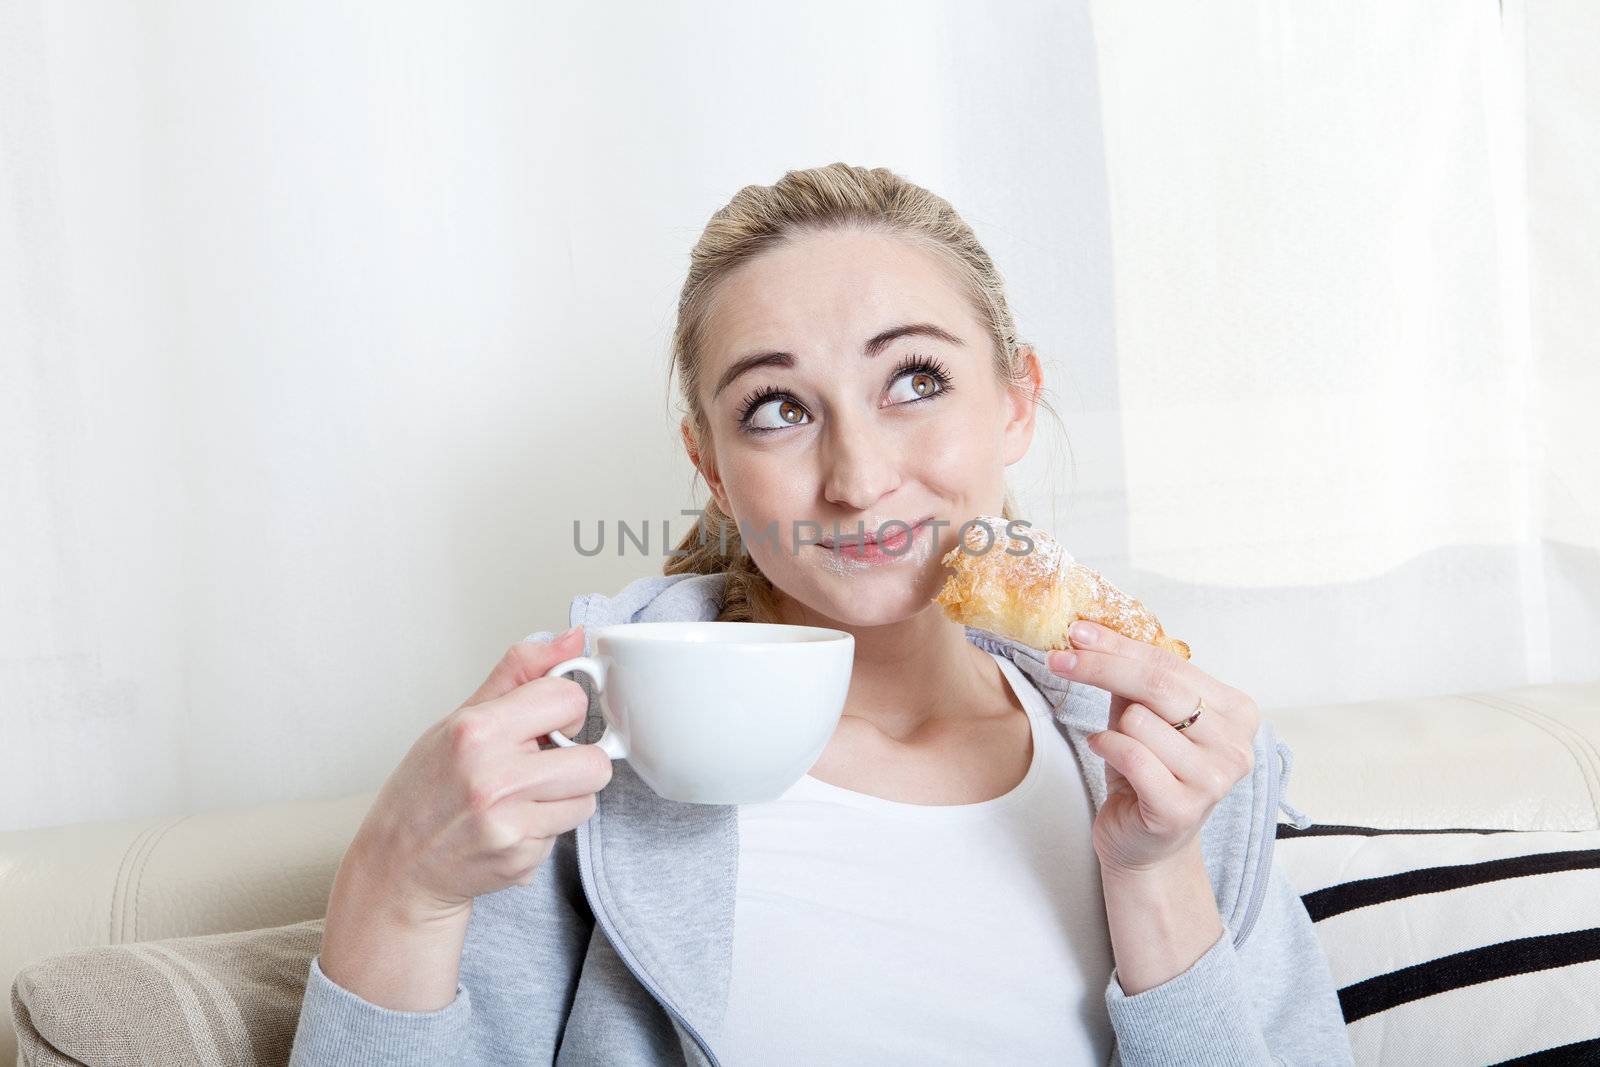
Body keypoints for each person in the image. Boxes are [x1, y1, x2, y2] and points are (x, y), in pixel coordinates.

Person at [289, 163, 1355, 1065]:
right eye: (777, 407)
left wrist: (1154, 872)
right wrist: (393, 886)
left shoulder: (1176, 765)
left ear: (1015, 400)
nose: (857, 475)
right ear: (709, 462)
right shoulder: (581, 755)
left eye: (914, 379)